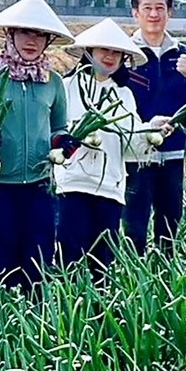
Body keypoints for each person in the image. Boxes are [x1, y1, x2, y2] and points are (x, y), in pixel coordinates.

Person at [0, 0, 74, 297]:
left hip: (40, 187)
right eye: (25, 32)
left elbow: (58, 127)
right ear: (9, 35)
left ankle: (33, 329)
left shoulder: (53, 83)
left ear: (48, 41)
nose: (32, 40)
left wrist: (63, 145)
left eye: (40, 34)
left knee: (39, 261)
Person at [54, 18, 166, 283]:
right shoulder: (66, 87)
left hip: (109, 189)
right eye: (103, 49)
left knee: (101, 266)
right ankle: (64, 316)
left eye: (116, 52)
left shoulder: (124, 95)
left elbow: (130, 146)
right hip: (71, 186)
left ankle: (98, 315)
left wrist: (151, 132)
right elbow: (54, 132)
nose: (110, 56)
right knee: (66, 260)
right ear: (88, 52)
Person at [119, 0, 186, 257]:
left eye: (160, 8)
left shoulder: (184, 54)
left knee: (169, 222)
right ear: (135, 13)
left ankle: (164, 275)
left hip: (173, 152)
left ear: (169, 12)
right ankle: (134, 281)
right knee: (133, 224)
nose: (154, 14)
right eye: (147, 8)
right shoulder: (124, 53)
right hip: (135, 153)